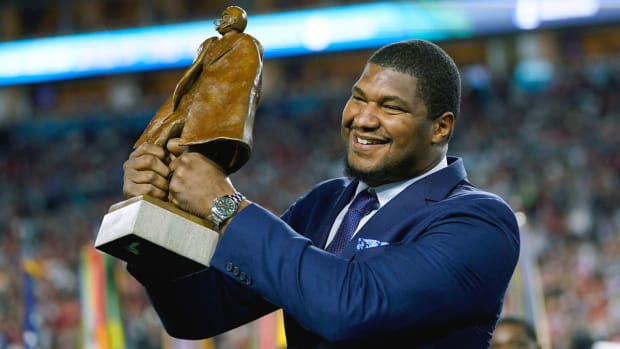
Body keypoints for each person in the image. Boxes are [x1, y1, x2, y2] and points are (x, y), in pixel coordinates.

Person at [123, 39, 520, 348]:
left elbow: (352, 308)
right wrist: (153, 214)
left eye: (390, 107)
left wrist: (225, 206)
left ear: (440, 128)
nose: (363, 118)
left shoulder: (479, 221)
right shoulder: (325, 204)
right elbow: (198, 313)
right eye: (359, 97)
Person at [135, 5, 263, 174]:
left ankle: (150, 167)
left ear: (235, 21)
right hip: (192, 102)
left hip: (211, 107)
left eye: (226, 17)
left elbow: (246, 85)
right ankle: (148, 168)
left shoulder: (246, 43)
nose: (221, 21)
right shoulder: (209, 43)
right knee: (164, 130)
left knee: (170, 130)